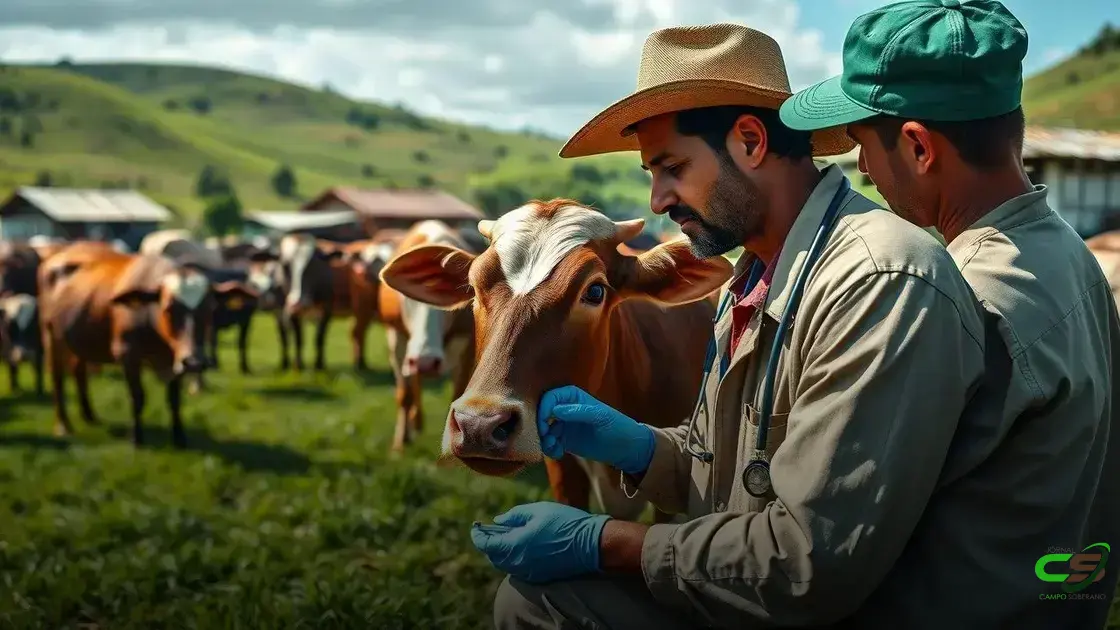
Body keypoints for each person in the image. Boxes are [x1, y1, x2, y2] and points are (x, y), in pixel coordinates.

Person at [469, 22, 994, 629]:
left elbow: (814, 565)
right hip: (760, 590)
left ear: (749, 141)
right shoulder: (752, 275)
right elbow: (730, 475)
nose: (658, 200)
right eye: (652, 175)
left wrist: (607, 542)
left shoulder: (875, 282)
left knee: (538, 606)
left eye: (670, 167)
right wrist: (640, 449)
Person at [777, 0, 1120, 627]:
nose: (865, 174)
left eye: (861, 147)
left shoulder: (967, 300)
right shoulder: (1070, 255)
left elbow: (833, 543)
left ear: (917, 147)